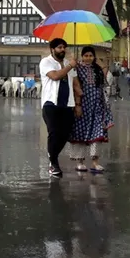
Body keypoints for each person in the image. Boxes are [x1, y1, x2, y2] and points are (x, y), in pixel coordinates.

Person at [40, 38, 79, 178]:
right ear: (52, 49)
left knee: (66, 134)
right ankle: (53, 163)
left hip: (67, 104)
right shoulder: (46, 62)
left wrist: (79, 101)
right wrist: (70, 66)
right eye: (59, 47)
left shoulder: (69, 63)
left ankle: (52, 155)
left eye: (64, 47)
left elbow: (75, 83)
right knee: (54, 133)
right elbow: (55, 76)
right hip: (51, 104)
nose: (63, 50)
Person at [69, 46, 112, 173]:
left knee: (98, 133)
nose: (88, 58)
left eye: (90, 56)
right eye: (86, 56)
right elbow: (74, 85)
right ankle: (80, 162)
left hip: (97, 105)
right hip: (82, 105)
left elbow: (103, 83)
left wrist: (104, 66)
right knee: (80, 132)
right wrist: (78, 105)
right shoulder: (76, 69)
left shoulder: (97, 70)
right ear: (82, 56)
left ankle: (95, 162)